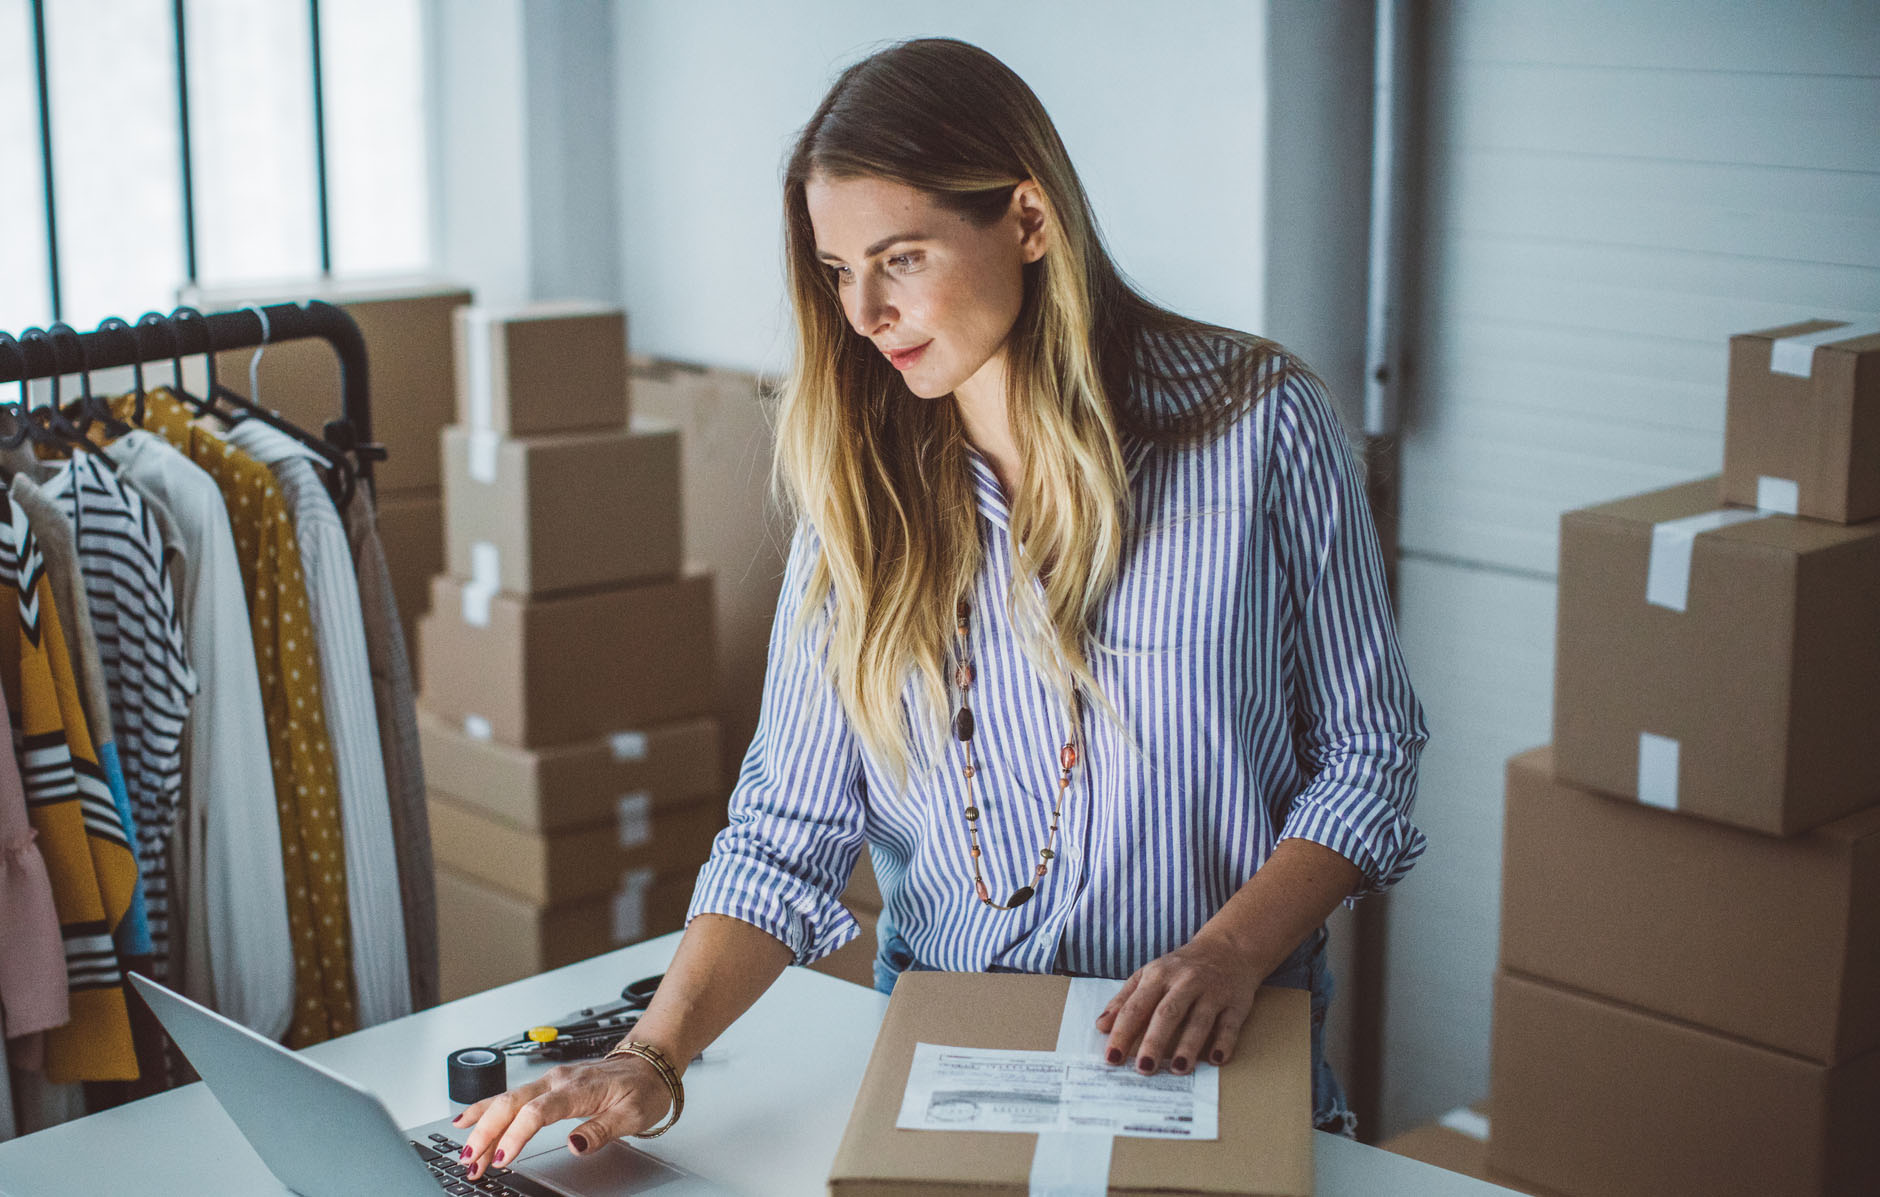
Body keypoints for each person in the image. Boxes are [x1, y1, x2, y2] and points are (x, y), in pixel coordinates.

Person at [449, 36, 1427, 1177]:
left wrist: (1225, 953)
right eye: (833, 271)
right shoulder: (858, 491)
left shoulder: (1260, 426)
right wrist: (650, 1060)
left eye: (898, 258)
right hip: (951, 1065)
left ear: (1025, 220)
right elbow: (784, 835)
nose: (863, 311)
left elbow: (1368, 753)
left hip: (1212, 1053)